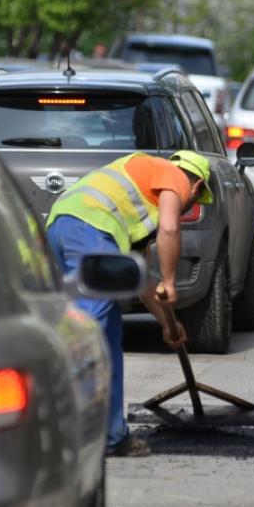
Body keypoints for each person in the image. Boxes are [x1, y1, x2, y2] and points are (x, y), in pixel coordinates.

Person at [45, 150, 213, 456]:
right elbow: (171, 229)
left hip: (64, 226)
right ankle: (65, 430)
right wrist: (172, 281)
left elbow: (144, 283)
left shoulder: (137, 203)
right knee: (89, 330)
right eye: (196, 199)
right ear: (197, 185)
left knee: (108, 336)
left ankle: (112, 436)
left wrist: (168, 325)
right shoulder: (172, 175)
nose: (190, 206)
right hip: (88, 227)